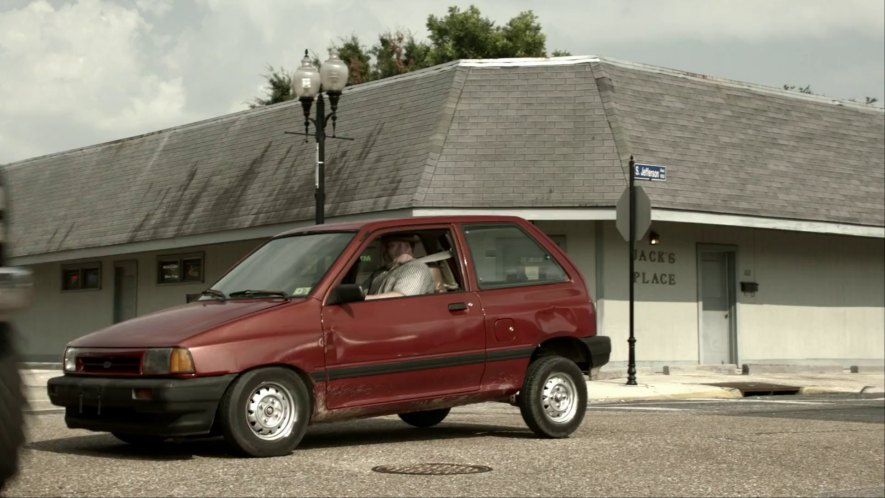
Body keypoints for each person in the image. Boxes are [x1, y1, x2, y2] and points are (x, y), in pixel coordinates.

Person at [364, 233, 435, 300]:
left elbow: (401, 297)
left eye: (390, 246)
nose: (385, 251)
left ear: (406, 247)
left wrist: (366, 299)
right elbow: (362, 292)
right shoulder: (380, 272)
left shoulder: (416, 268)